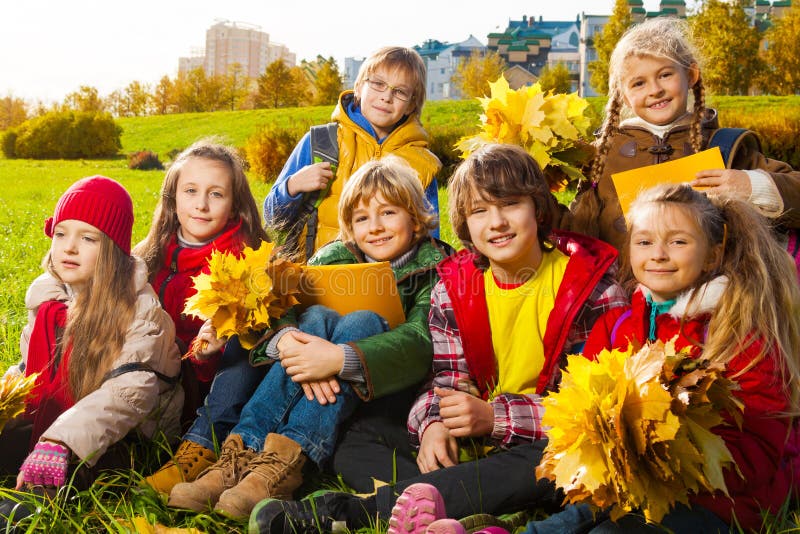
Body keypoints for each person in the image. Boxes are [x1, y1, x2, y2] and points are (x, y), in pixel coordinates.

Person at [248, 143, 627, 534]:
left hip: (544, 441)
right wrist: (433, 424)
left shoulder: (590, 289)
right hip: (474, 437)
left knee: (560, 457)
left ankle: (352, 513)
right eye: (479, 211)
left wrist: (495, 418)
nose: (496, 222)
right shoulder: (456, 286)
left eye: (510, 205)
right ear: (464, 222)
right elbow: (446, 377)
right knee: (358, 439)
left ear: (538, 208)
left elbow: (597, 413)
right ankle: (470, 508)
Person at [426, 183, 800, 534]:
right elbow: (576, 403)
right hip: (617, 481)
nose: (658, 254)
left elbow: (762, 447)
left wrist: (671, 455)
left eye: (678, 242)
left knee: (616, 528)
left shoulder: (737, 331)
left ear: (712, 255)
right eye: (644, 241)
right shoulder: (619, 323)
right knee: (565, 486)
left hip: (715, 499)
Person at [167, 156, 453, 520]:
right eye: (362, 218)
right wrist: (285, 337)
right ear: (349, 225)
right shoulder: (333, 257)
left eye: (389, 214)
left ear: (414, 218)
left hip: (380, 393)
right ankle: (239, 456)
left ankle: (283, 464)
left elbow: (418, 342)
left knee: (363, 319)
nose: (375, 228)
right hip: (311, 377)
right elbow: (283, 302)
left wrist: (338, 359)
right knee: (314, 315)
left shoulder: (432, 268)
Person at [0, 176, 182, 525]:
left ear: (113, 249)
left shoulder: (140, 309)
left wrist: (62, 442)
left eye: (87, 238)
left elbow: (128, 395)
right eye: (61, 234)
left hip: (129, 435)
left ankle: (25, 510)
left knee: (75, 466)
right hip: (63, 417)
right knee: (7, 434)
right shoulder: (49, 299)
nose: (69, 247)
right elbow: (28, 371)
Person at [568, 17, 800, 253]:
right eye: (639, 83)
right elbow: (573, 230)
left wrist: (748, 184)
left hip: (708, 287)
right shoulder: (601, 156)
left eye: (665, 75)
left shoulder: (723, 147)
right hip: (622, 287)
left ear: (691, 75)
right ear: (624, 96)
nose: (655, 90)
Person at [137, 140, 269, 495]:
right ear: (173, 198)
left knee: (250, 335)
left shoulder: (246, 261)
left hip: (211, 385)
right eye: (191, 191)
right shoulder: (149, 255)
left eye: (216, 194)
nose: (201, 204)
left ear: (234, 204)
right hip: (156, 380)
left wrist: (211, 350)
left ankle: (203, 445)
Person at [264, 45, 442, 260]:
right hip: (314, 283)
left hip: (387, 286)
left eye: (400, 91)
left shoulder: (420, 164)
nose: (386, 96)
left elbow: (430, 248)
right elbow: (272, 218)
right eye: (378, 84)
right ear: (358, 87)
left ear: (412, 104)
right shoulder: (321, 143)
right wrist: (292, 187)